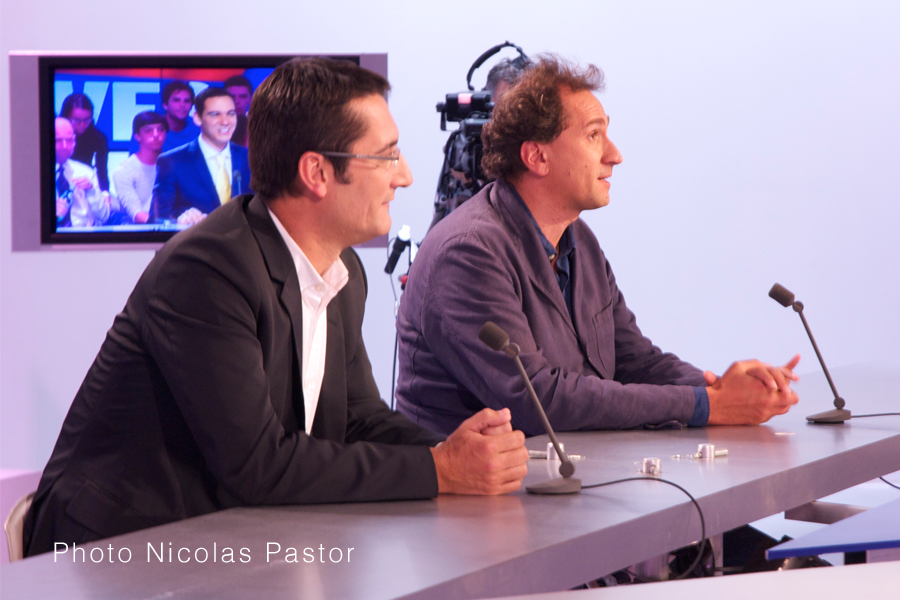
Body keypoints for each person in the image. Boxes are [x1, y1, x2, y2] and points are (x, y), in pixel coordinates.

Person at [23, 57, 528, 557]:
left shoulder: (343, 270)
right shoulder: (208, 269)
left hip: (220, 541)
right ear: (317, 172)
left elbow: (358, 419)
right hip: (112, 548)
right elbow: (256, 464)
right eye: (387, 156)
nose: (406, 176)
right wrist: (439, 470)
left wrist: (450, 449)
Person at [396, 55, 800, 436]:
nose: (615, 155)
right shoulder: (468, 252)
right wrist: (708, 405)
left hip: (568, 469)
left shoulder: (578, 238)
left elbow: (633, 360)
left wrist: (719, 388)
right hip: (479, 481)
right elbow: (538, 398)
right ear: (537, 156)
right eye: (594, 135)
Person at [151, 87, 252, 225]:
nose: (225, 121)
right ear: (198, 118)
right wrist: (178, 222)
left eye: (230, 113)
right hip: (195, 238)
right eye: (215, 114)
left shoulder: (251, 159)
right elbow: (157, 219)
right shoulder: (173, 161)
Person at [112, 111, 167, 224]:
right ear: (137, 136)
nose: (156, 134)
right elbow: (136, 213)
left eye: (161, 130)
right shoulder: (123, 170)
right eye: (149, 130)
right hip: (136, 232)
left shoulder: (175, 165)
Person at [54, 117, 110, 228]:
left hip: (83, 235)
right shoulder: (33, 174)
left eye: (69, 140)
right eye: (58, 140)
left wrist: (91, 192)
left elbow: (104, 217)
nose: (65, 146)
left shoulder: (85, 172)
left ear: (74, 141)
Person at [60, 93, 109, 192]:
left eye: (87, 120)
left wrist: (105, 192)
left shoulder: (98, 138)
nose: (82, 125)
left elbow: (102, 172)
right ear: (66, 117)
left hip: (85, 181)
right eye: (76, 120)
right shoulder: (54, 135)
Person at [160, 80, 201, 152]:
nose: (182, 105)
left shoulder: (200, 128)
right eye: (176, 100)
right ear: (165, 105)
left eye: (187, 101)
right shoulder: (152, 129)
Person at [224, 74, 253, 146]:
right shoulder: (212, 125)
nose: (237, 101)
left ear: (250, 99)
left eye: (243, 96)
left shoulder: (256, 128)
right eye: (232, 96)